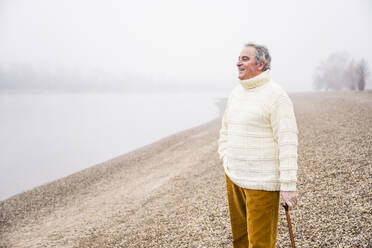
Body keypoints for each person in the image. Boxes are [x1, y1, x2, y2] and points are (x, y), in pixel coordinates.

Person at [218, 43, 298, 248]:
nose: (238, 62)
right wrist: (225, 157)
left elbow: (288, 141)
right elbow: (225, 129)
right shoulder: (236, 93)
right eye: (239, 58)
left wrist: (288, 186)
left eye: (245, 59)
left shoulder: (277, 96)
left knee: (260, 244)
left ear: (261, 64)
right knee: (240, 241)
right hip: (234, 178)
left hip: (262, 184)